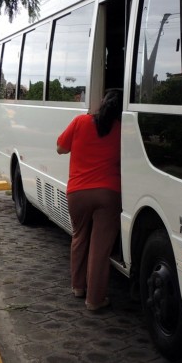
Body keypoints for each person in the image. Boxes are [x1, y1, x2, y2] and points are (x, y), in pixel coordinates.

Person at [56, 89, 123, 311]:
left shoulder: (80, 121)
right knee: (100, 249)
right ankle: (94, 300)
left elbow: (60, 148)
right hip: (108, 193)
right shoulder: (123, 130)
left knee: (79, 238)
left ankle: (77, 287)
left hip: (77, 193)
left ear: (102, 102)